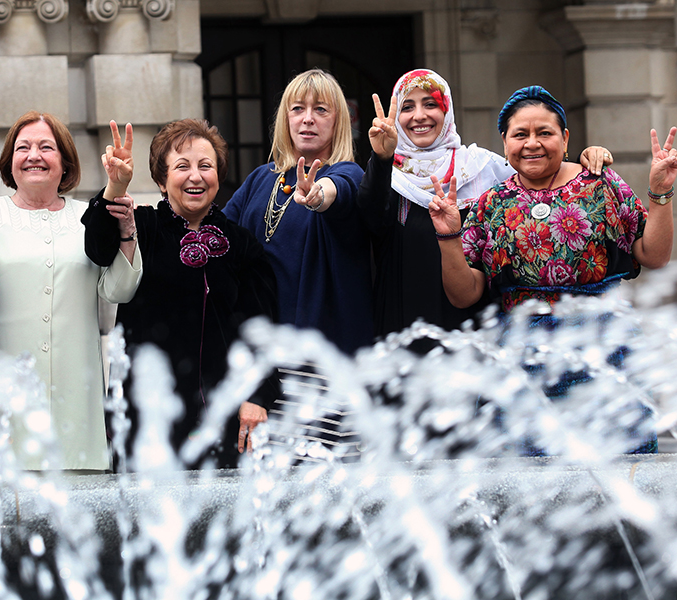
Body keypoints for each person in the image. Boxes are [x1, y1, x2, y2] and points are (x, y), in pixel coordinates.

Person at [428, 85, 677, 454]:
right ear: (505, 142)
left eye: (544, 132)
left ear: (565, 139)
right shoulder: (491, 203)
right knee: (526, 472)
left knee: (616, 463)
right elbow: (464, 294)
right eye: (520, 134)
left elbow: (654, 255)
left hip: (602, 344)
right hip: (523, 354)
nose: (532, 143)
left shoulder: (600, 184)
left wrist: (660, 193)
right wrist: (448, 236)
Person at [358, 69, 614, 345]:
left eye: (430, 104)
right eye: (407, 107)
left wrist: (583, 161)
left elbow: (540, 173)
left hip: (476, 328)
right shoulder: (388, 175)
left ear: (447, 111)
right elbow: (370, 219)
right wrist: (382, 158)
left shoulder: (483, 167)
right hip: (405, 323)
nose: (419, 115)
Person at [0, 111, 142, 473]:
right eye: (23, 147)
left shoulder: (90, 216)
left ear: (65, 162)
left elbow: (120, 289)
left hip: (76, 411)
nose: (33, 155)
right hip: (4, 410)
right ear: (9, 162)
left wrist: (126, 229)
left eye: (46, 147)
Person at [81, 119, 279, 469]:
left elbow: (262, 328)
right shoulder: (140, 226)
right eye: (182, 167)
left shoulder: (242, 244)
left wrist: (258, 395)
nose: (195, 177)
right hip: (149, 414)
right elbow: (97, 247)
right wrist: (116, 186)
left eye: (206, 166)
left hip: (224, 413)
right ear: (162, 180)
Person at [222, 68, 373, 355]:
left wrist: (317, 196)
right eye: (298, 108)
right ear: (286, 118)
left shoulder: (350, 173)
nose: (307, 118)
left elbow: (335, 190)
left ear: (338, 121)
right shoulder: (261, 178)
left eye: (321, 109)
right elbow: (217, 231)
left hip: (322, 356)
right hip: (261, 351)